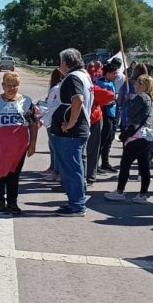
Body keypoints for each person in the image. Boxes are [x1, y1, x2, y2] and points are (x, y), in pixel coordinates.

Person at [0, 72, 40, 213]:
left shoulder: (26, 102)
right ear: (3, 86)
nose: (11, 88)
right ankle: (0, 203)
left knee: (14, 175)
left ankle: (12, 203)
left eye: (15, 86)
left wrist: (32, 144)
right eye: (8, 85)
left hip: (18, 147)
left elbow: (33, 124)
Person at [49, 49, 94, 216]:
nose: (60, 65)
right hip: (78, 131)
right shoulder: (85, 76)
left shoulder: (73, 78)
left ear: (66, 63)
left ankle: (77, 205)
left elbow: (78, 99)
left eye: (61, 62)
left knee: (71, 169)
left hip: (71, 133)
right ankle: (76, 202)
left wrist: (70, 123)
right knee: (74, 168)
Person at [105, 74, 153, 204]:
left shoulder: (141, 97)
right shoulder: (151, 99)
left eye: (136, 83)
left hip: (136, 135)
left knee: (125, 164)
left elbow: (131, 113)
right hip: (146, 135)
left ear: (142, 85)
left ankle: (120, 191)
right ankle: (142, 194)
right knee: (144, 166)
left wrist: (128, 101)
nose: (134, 85)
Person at [40, 68, 64, 181]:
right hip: (52, 119)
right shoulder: (57, 88)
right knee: (53, 145)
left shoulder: (57, 88)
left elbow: (53, 105)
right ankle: (53, 168)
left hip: (53, 119)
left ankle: (56, 171)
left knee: (55, 146)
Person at [97, 61, 121, 172]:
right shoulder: (100, 84)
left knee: (109, 139)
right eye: (114, 73)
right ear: (107, 73)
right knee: (102, 140)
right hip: (104, 114)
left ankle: (105, 163)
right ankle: (94, 164)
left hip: (112, 114)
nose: (116, 75)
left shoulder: (111, 83)